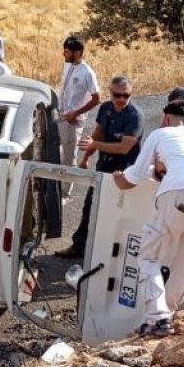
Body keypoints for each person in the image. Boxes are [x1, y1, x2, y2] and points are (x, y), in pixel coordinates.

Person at [113, 99, 184, 336]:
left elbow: (134, 176)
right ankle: (166, 316)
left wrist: (120, 180)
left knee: (148, 258)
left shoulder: (160, 133)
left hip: (177, 195)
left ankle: (158, 317)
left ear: (166, 117)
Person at [60, 75, 143, 258]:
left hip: (124, 172)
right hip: (103, 167)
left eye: (126, 95)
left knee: (117, 212)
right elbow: (97, 135)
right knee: (90, 206)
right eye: (117, 95)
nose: (121, 99)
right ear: (110, 92)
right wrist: (86, 158)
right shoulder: (105, 108)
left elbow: (124, 147)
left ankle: (110, 254)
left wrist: (94, 146)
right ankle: (79, 247)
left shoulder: (134, 116)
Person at [57, 35, 101, 199]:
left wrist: (76, 113)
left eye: (67, 52)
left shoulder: (87, 73)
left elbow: (97, 99)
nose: (64, 54)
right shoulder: (67, 66)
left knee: (69, 157)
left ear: (78, 52)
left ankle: (65, 194)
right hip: (61, 116)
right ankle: (56, 185)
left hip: (73, 121)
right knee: (56, 153)